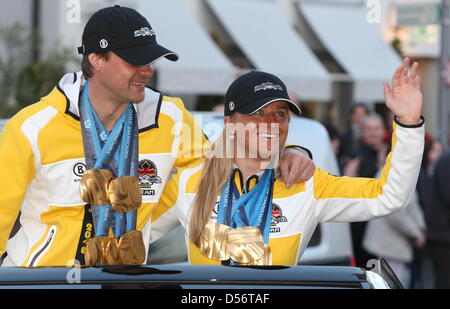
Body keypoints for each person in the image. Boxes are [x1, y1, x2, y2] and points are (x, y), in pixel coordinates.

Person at [0, 6, 314, 267]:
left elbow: (223, 167)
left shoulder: (171, 118)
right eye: (134, 61)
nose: (147, 70)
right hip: (38, 281)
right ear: (96, 59)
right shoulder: (32, 127)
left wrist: (292, 151)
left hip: (120, 281)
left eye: (149, 60)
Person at [151, 58, 424, 266]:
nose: (271, 124)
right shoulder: (190, 181)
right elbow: (135, 231)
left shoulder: (306, 183)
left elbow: (389, 196)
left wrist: (409, 123)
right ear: (230, 124)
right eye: (258, 113)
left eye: (280, 114)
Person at [343, 113, 388, 267]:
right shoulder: (354, 156)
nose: (373, 132)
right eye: (368, 129)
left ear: (383, 131)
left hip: (387, 228)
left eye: (376, 128)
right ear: (362, 132)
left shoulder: (391, 154)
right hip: (360, 226)